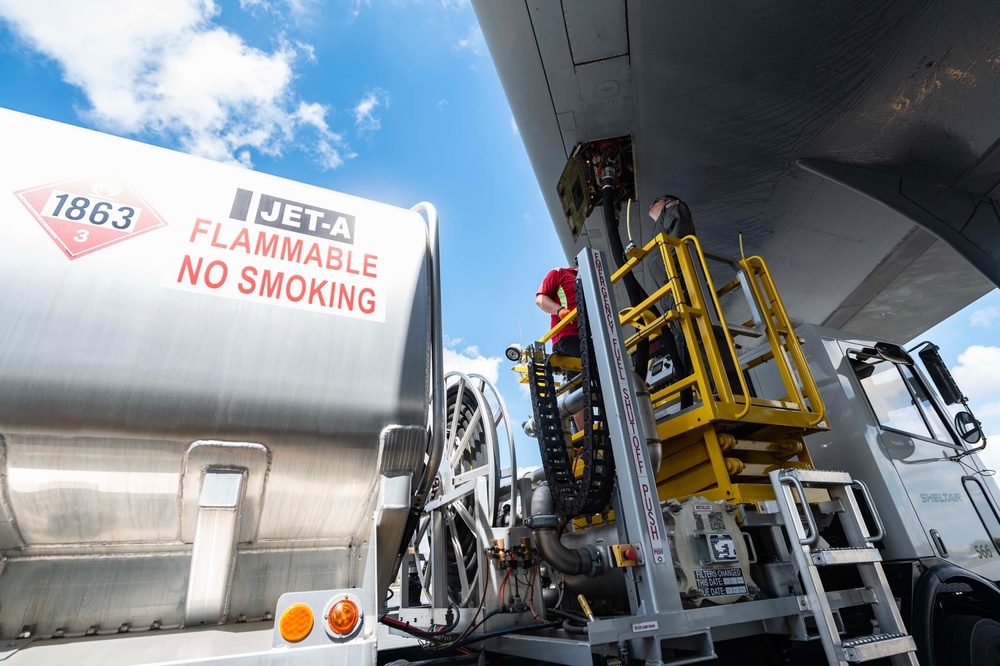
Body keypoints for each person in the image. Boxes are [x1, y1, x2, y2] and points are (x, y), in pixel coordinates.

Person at [536, 264, 585, 432]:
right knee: (588, 378)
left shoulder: (592, 277)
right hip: (568, 334)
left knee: (583, 384)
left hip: (591, 333)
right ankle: (587, 435)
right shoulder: (560, 273)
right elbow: (540, 299)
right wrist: (560, 311)